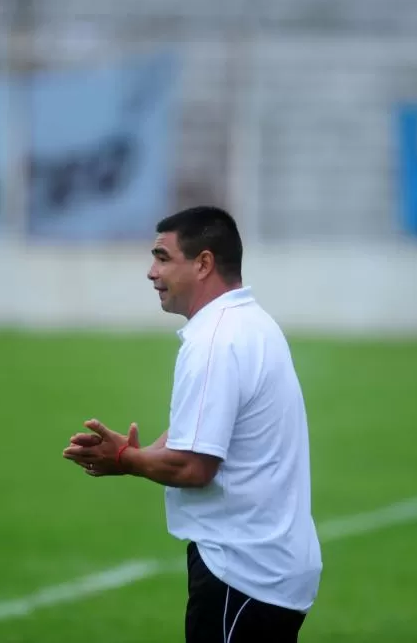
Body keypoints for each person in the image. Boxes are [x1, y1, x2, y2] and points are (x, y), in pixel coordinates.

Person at [62, 206, 322, 641]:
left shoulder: (214, 340)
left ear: (203, 263)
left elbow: (195, 467)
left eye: (163, 258)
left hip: (242, 572)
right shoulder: (252, 322)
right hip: (271, 568)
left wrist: (125, 459)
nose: (150, 272)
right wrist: (140, 454)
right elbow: (202, 434)